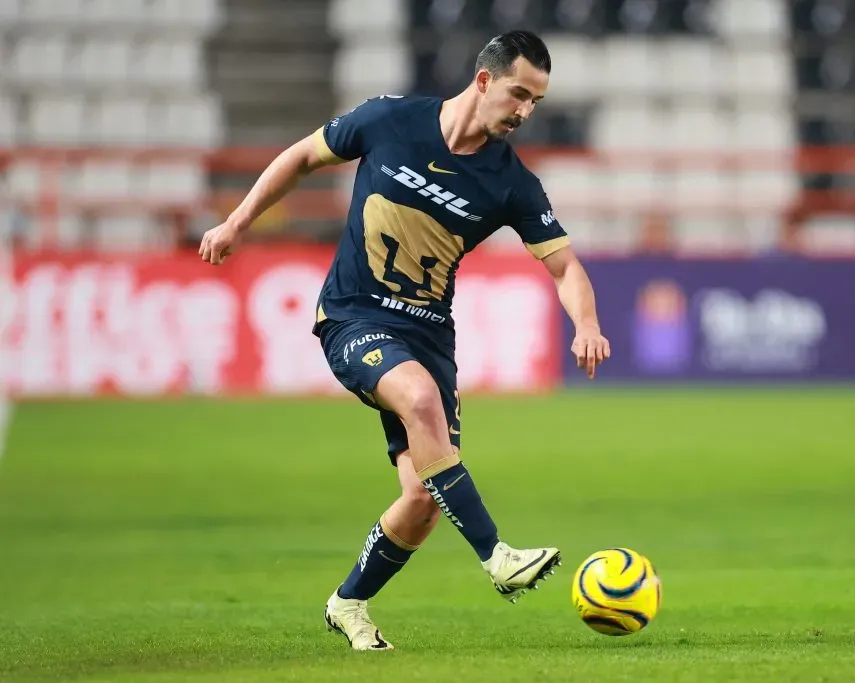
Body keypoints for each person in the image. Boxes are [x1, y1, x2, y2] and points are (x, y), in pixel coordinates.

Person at [198, 30, 611, 651]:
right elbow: (301, 157)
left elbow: (565, 267)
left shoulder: (510, 182)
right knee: (418, 400)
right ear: (483, 80)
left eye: (537, 103)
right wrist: (237, 220)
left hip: (428, 336)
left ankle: (349, 602)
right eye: (519, 94)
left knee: (421, 499)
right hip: (353, 317)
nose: (526, 112)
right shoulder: (389, 119)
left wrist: (586, 323)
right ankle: (496, 555)